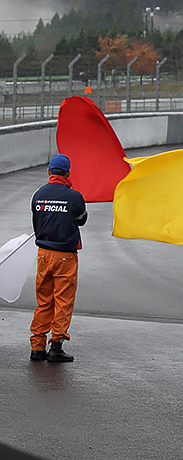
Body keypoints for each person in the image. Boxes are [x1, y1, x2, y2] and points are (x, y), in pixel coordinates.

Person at [29, 154, 87, 363]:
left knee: (44, 301)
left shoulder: (38, 195)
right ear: (68, 173)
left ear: (49, 172)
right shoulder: (74, 197)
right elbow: (82, 220)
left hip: (43, 254)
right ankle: (56, 345)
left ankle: (37, 346)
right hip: (65, 256)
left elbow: (36, 221)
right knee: (63, 300)